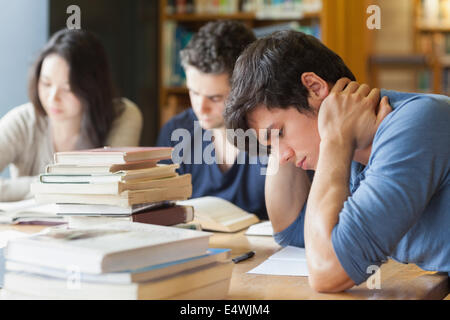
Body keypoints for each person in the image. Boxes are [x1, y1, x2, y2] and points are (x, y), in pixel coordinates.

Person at [224, 30, 450, 292]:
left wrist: (335, 140)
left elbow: (328, 273)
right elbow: (293, 232)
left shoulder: (415, 124)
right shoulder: (352, 156)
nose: (281, 157)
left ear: (316, 88)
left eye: (279, 133)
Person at [0, 29, 143, 201]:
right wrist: (56, 185)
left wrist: (37, 187)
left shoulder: (123, 115)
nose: (53, 98)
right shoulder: (22, 121)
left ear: (92, 88)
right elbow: (88, 186)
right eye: (46, 83)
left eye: (68, 89)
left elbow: (111, 186)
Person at [156, 21, 268, 219]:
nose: (200, 108)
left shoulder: (272, 134)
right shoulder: (175, 133)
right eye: (194, 92)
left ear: (247, 89)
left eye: (215, 98)